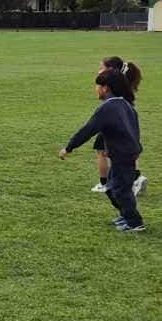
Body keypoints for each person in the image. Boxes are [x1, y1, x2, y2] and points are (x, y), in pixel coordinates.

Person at [59, 67, 143, 232]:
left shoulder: (107, 108)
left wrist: (69, 147)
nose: (96, 89)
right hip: (127, 154)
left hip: (123, 156)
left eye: (98, 86)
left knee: (120, 190)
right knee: (111, 187)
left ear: (105, 88)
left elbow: (88, 130)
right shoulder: (125, 104)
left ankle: (135, 223)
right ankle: (125, 215)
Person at [90, 58, 145, 199]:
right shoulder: (122, 84)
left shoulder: (113, 87)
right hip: (123, 122)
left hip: (112, 123)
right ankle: (135, 178)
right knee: (126, 152)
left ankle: (105, 184)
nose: (99, 71)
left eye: (101, 68)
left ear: (110, 70)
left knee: (101, 151)